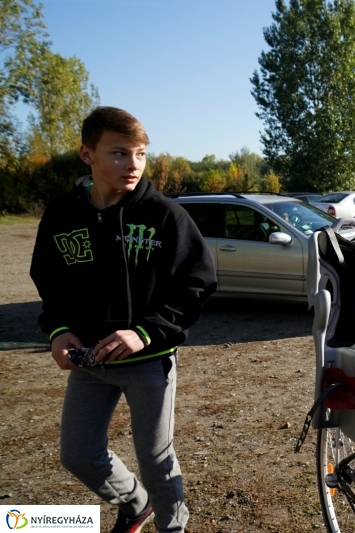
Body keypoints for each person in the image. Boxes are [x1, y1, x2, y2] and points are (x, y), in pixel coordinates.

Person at [29, 107, 217, 533]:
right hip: (90, 362)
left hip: (149, 362)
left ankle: (173, 526)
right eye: (118, 153)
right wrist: (59, 330)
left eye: (140, 154)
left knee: (155, 458)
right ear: (86, 154)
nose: (132, 165)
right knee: (77, 454)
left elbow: (198, 284)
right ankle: (137, 504)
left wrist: (145, 333)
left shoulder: (165, 216)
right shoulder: (61, 216)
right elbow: (49, 282)